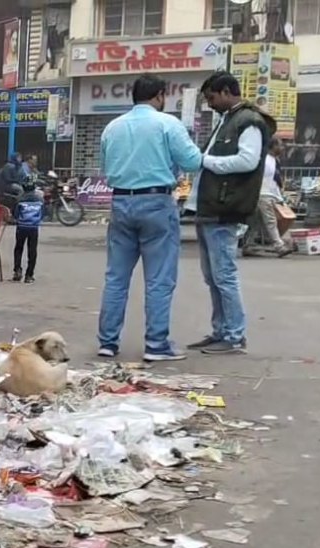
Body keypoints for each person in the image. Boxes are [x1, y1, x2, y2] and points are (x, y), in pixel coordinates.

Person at [97, 74, 203, 362]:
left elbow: (105, 167)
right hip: (157, 202)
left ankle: (107, 342)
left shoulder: (112, 127)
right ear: (159, 96)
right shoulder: (168, 124)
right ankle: (156, 344)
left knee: (116, 277)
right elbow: (193, 161)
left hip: (120, 201)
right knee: (159, 278)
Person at [184, 71, 275, 355]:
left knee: (224, 275)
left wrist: (207, 161)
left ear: (225, 92)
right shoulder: (229, 120)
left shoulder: (248, 122)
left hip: (226, 209)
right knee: (213, 276)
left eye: (211, 97)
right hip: (210, 207)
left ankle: (234, 335)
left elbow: (247, 161)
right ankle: (221, 330)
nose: (209, 104)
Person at [251, 138, 292, 257]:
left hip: (267, 194)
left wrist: (279, 197)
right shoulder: (264, 160)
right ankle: (279, 246)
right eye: (280, 145)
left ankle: (248, 245)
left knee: (255, 222)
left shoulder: (274, 160)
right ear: (273, 146)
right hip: (263, 194)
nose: (283, 148)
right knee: (270, 221)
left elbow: (274, 181)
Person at [13, 176, 43, 283]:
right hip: (33, 228)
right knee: (32, 251)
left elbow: (16, 214)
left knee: (18, 248)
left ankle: (17, 271)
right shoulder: (39, 199)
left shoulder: (20, 199)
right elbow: (42, 214)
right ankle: (29, 275)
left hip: (21, 227)